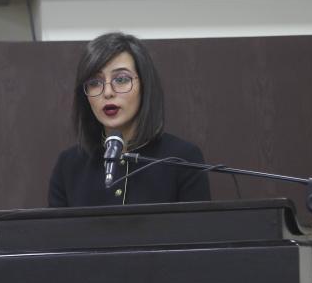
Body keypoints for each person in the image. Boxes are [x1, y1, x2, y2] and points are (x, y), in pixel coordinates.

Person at [48, 31, 210, 207]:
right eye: (95, 82)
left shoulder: (182, 159)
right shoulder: (69, 165)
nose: (108, 92)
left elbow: (196, 225)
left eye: (121, 79)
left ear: (144, 85)